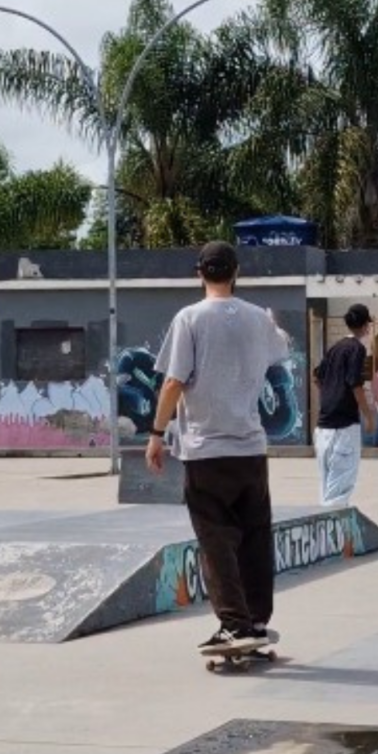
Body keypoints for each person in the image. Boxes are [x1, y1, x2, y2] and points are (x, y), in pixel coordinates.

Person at [145, 240, 290, 652]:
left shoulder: (189, 318)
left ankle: (234, 624)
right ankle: (257, 619)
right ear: (236, 272)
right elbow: (279, 351)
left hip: (206, 449)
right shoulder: (258, 319)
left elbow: (173, 382)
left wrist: (157, 434)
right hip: (250, 449)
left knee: (216, 539)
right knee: (255, 537)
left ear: (199, 273)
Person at [312, 303, 377, 507]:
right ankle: (334, 535)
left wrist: (329, 396)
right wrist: (368, 415)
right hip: (344, 427)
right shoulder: (356, 348)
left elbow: (317, 376)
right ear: (366, 325)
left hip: (323, 427)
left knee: (327, 486)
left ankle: (327, 531)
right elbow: (354, 382)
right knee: (340, 488)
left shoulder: (335, 348)